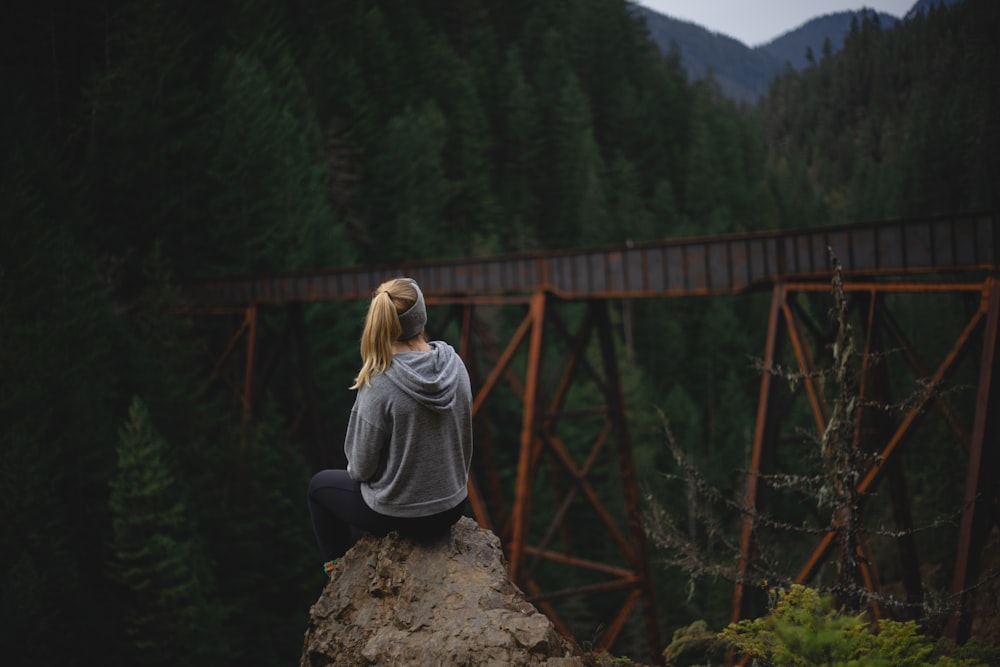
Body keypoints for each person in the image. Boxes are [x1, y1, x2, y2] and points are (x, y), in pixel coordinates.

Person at [307, 277, 473, 577]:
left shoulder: (380, 384)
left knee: (319, 487)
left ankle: (337, 574)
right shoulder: (454, 364)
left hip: (405, 517)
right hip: (453, 507)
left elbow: (360, 469)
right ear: (422, 315)